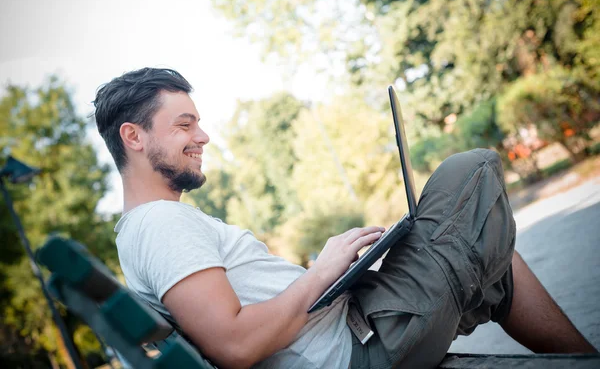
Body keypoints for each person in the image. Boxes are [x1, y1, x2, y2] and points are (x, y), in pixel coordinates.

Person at [93, 67, 597, 369]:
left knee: (496, 257)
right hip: (362, 347)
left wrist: (333, 273)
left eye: (198, 123)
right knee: (473, 167)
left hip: (361, 325)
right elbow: (237, 344)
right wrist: (323, 270)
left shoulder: (152, 229)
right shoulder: (161, 226)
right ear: (134, 137)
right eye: (185, 125)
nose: (202, 137)